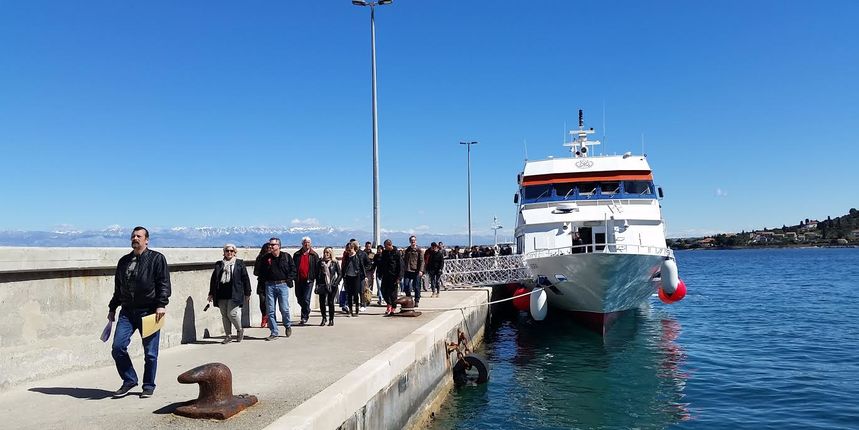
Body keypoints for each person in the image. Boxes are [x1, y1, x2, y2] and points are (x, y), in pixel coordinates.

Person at [107, 226, 171, 399]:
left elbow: (163, 283)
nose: (135, 238)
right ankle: (129, 380)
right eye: (133, 236)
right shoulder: (124, 261)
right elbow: (118, 288)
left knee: (150, 353)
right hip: (127, 312)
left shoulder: (157, 259)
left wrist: (161, 304)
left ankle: (148, 385)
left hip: (150, 311)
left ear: (146, 240)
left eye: (139, 236)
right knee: (117, 347)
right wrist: (112, 308)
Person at [207, 243, 252, 344]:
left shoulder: (239, 263)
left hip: (235, 293)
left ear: (235, 252)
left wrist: (247, 292)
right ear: (224, 252)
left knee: (232, 314)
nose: (229, 253)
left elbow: (245, 279)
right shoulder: (219, 264)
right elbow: (214, 280)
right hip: (221, 293)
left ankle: (240, 329)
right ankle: (228, 336)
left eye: (231, 251)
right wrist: (211, 293)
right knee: (224, 315)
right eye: (227, 251)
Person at [253, 237, 296, 341]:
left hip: (282, 285)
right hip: (269, 286)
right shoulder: (265, 258)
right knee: (270, 310)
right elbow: (259, 272)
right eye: (270, 245)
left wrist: (289, 279)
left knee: (284, 309)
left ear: (279, 246)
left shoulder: (286, 256)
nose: (271, 246)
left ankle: (287, 325)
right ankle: (274, 332)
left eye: (273, 245)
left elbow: (293, 270)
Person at [292, 236, 319, 326]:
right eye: (305, 242)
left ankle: (304, 317)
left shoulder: (314, 255)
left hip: (309, 280)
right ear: (302, 244)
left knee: (306, 299)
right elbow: (293, 267)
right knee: (299, 298)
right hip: (298, 280)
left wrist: (317, 279)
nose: (307, 244)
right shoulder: (297, 255)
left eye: (308, 242)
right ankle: (307, 309)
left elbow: (317, 268)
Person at [315, 247, 341, 326]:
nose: (326, 254)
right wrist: (317, 283)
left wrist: (335, 283)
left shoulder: (334, 262)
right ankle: (323, 317)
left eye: (328, 252)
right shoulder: (320, 262)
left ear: (331, 254)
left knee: (330, 302)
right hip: (322, 284)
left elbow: (340, 274)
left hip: (332, 285)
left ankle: (331, 319)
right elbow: (317, 274)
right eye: (325, 252)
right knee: (322, 302)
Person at [377, 239, 403, 316]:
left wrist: (399, 278)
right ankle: (389, 304)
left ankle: (393, 308)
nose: (384, 248)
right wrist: (380, 273)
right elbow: (382, 264)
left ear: (389, 245)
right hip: (385, 275)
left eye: (385, 246)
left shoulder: (397, 253)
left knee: (393, 293)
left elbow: (401, 266)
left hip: (394, 276)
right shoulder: (385, 253)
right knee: (383, 290)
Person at [341, 242, 365, 317]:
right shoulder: (347, 256)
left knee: (355, 294)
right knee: (349, 294)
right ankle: (350, 311)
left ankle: (357, 310)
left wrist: (364, 276)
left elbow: (361, 266)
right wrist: (342, 275)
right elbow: (344, 266)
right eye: (347, 250)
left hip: (356, 277)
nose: (348, 251)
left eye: (350, 249)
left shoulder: (357, 256)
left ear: (353, 248)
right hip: (348, 277)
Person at [402, 235, 424, 307]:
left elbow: (422, 261)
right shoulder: (407, 250)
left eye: (414, 241)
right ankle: (409, 298)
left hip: (416, 271)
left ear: (416, 241)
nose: (413, 242)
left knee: (416, 286)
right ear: (410, 242)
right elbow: (404, 260)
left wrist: (421, 270)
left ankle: (417, 300)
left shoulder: (419, 250)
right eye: (411, 241)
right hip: (407, 270)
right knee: (406, 285)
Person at [255, 243, 271, 328]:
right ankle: (264, 315)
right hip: (262, 283)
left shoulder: (274, 258)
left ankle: (270, 319)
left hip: (272, 283)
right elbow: (255, 272)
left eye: (270, 248)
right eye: (267, 248)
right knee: (262, 301)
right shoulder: (260, 258)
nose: (269, 249)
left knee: (271, 302)